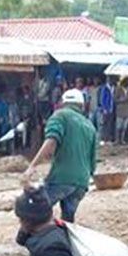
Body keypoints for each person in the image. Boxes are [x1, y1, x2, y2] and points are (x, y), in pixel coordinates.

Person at [22, 88, 98, 223]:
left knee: (35, 212)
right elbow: (93, 164)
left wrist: (32, 166)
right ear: (81, 105)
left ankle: (29, 240)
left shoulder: (60, 116)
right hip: (81, 182)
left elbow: (51, 142)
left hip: (61, 178)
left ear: (62, 102)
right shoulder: (90, 126)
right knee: (67, 221)